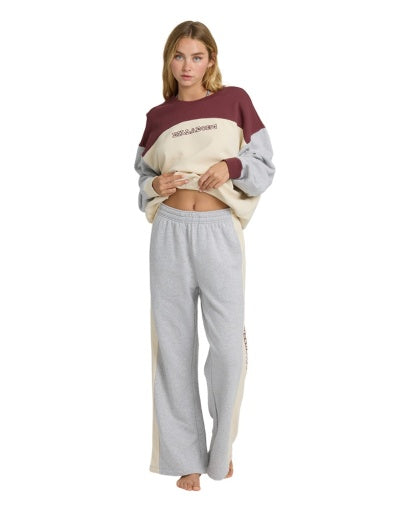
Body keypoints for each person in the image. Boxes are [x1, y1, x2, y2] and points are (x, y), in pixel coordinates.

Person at [134, 20, 276, 491]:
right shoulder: (157, 117)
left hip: (218, 232)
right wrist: (156, 184)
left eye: (196, 57)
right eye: (179, 56)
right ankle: (185, 459)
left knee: (228, 347)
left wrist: (230, 165)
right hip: (170, 233)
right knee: (173, 347)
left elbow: (264, 165)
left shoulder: (235, 101)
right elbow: (142, 178)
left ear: (211, 60)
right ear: (169, 61)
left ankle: (221, 450)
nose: (187, 66)